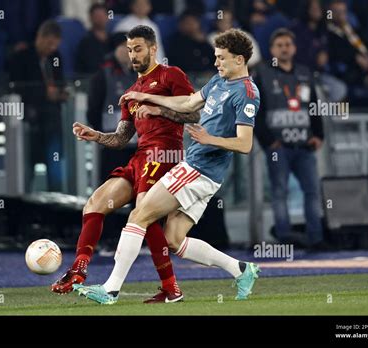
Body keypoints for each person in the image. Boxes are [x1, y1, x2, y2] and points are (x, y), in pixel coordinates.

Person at [73, 28, 261, 304]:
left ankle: (111, 289)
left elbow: (245, 144)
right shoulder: (218, 83)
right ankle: (241, 269)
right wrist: (152, 101)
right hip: (203, 172)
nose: (216, 63)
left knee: (139, 216)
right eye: (216, 57)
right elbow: (187, 102)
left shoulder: (246, 92)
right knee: (173, 239)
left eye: (221, 58)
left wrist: (210, 138)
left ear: (240, 60)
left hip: (198, 169)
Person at [52, 25, 200, 303]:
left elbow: (194, 113)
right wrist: (95, 135)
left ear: (153, 49)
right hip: (140, 156)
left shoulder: (171, 75)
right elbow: (121, 138)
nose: (133, 55)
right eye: (129, 49)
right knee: (95, 202)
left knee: (145, 213)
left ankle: (169, 288)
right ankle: (79, 269)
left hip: (164, 154)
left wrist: (159, 108)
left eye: (138, 49)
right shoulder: (132, 91)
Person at [253, 28, 325, 249]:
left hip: (304, 144)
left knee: (312, 192)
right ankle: (285, 239)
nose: (284, 49)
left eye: (288, 44)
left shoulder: (305, 74)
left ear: (294, 48)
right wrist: (267, 141)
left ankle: (316, 239)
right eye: (279, 45)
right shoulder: (262, 74)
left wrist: (319, 135)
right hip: (278, 146)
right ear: (272, 50)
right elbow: (254, 110)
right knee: (279, 192)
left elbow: (314, 107)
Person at [8, 20, 67, 192]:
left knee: (55, 166)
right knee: (27, 168)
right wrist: (44, 94)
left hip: (53, 121)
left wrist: (61, 93)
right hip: (29, 122)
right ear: (39, 37)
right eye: (49, 43)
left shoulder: (56, 58)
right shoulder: (21, 57)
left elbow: (60, 82)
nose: (51, 48)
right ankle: (23, 203)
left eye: (55, 45)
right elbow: (16, 88)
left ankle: (57, 204)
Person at [86, 32, 137, 181]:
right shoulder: (103, 75)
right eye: (125, 47)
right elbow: (93, 111)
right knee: (111, 187)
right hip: (112, 145)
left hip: (137, 144)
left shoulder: (138, 73)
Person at [75, 3, 110, 75]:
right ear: (90, 18)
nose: (101, 19)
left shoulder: (112, 39)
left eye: (102, 16)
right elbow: (90, 67)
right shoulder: (86, 42)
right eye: (97, 16)